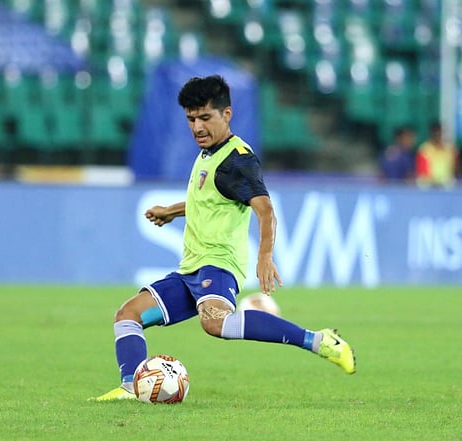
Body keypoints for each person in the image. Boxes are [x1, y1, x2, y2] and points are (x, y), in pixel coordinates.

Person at [91, 75, 356, 402]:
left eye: (205, 118)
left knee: (215, 323)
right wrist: (172, 212)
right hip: (191, 269)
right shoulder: (207, 155)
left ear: (226, 114)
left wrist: (264, 257)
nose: (197, 127)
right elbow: (208, 199)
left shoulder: (237, 160)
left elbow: (265, 209)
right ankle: (132, 388)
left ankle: (319, 341)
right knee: (128, 315)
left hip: (217, 265)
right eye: (191, 119)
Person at [415, 122, 459, 189]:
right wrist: (433, 179)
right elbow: (422, 170)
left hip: (445, 181)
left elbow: (455, 168)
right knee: (422, 183)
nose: (437, 135)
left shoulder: (450, 149)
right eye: (435, 133)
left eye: (440, 133)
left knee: (451, 183)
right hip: (428, 181)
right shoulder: (424, 149)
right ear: (431, 134)